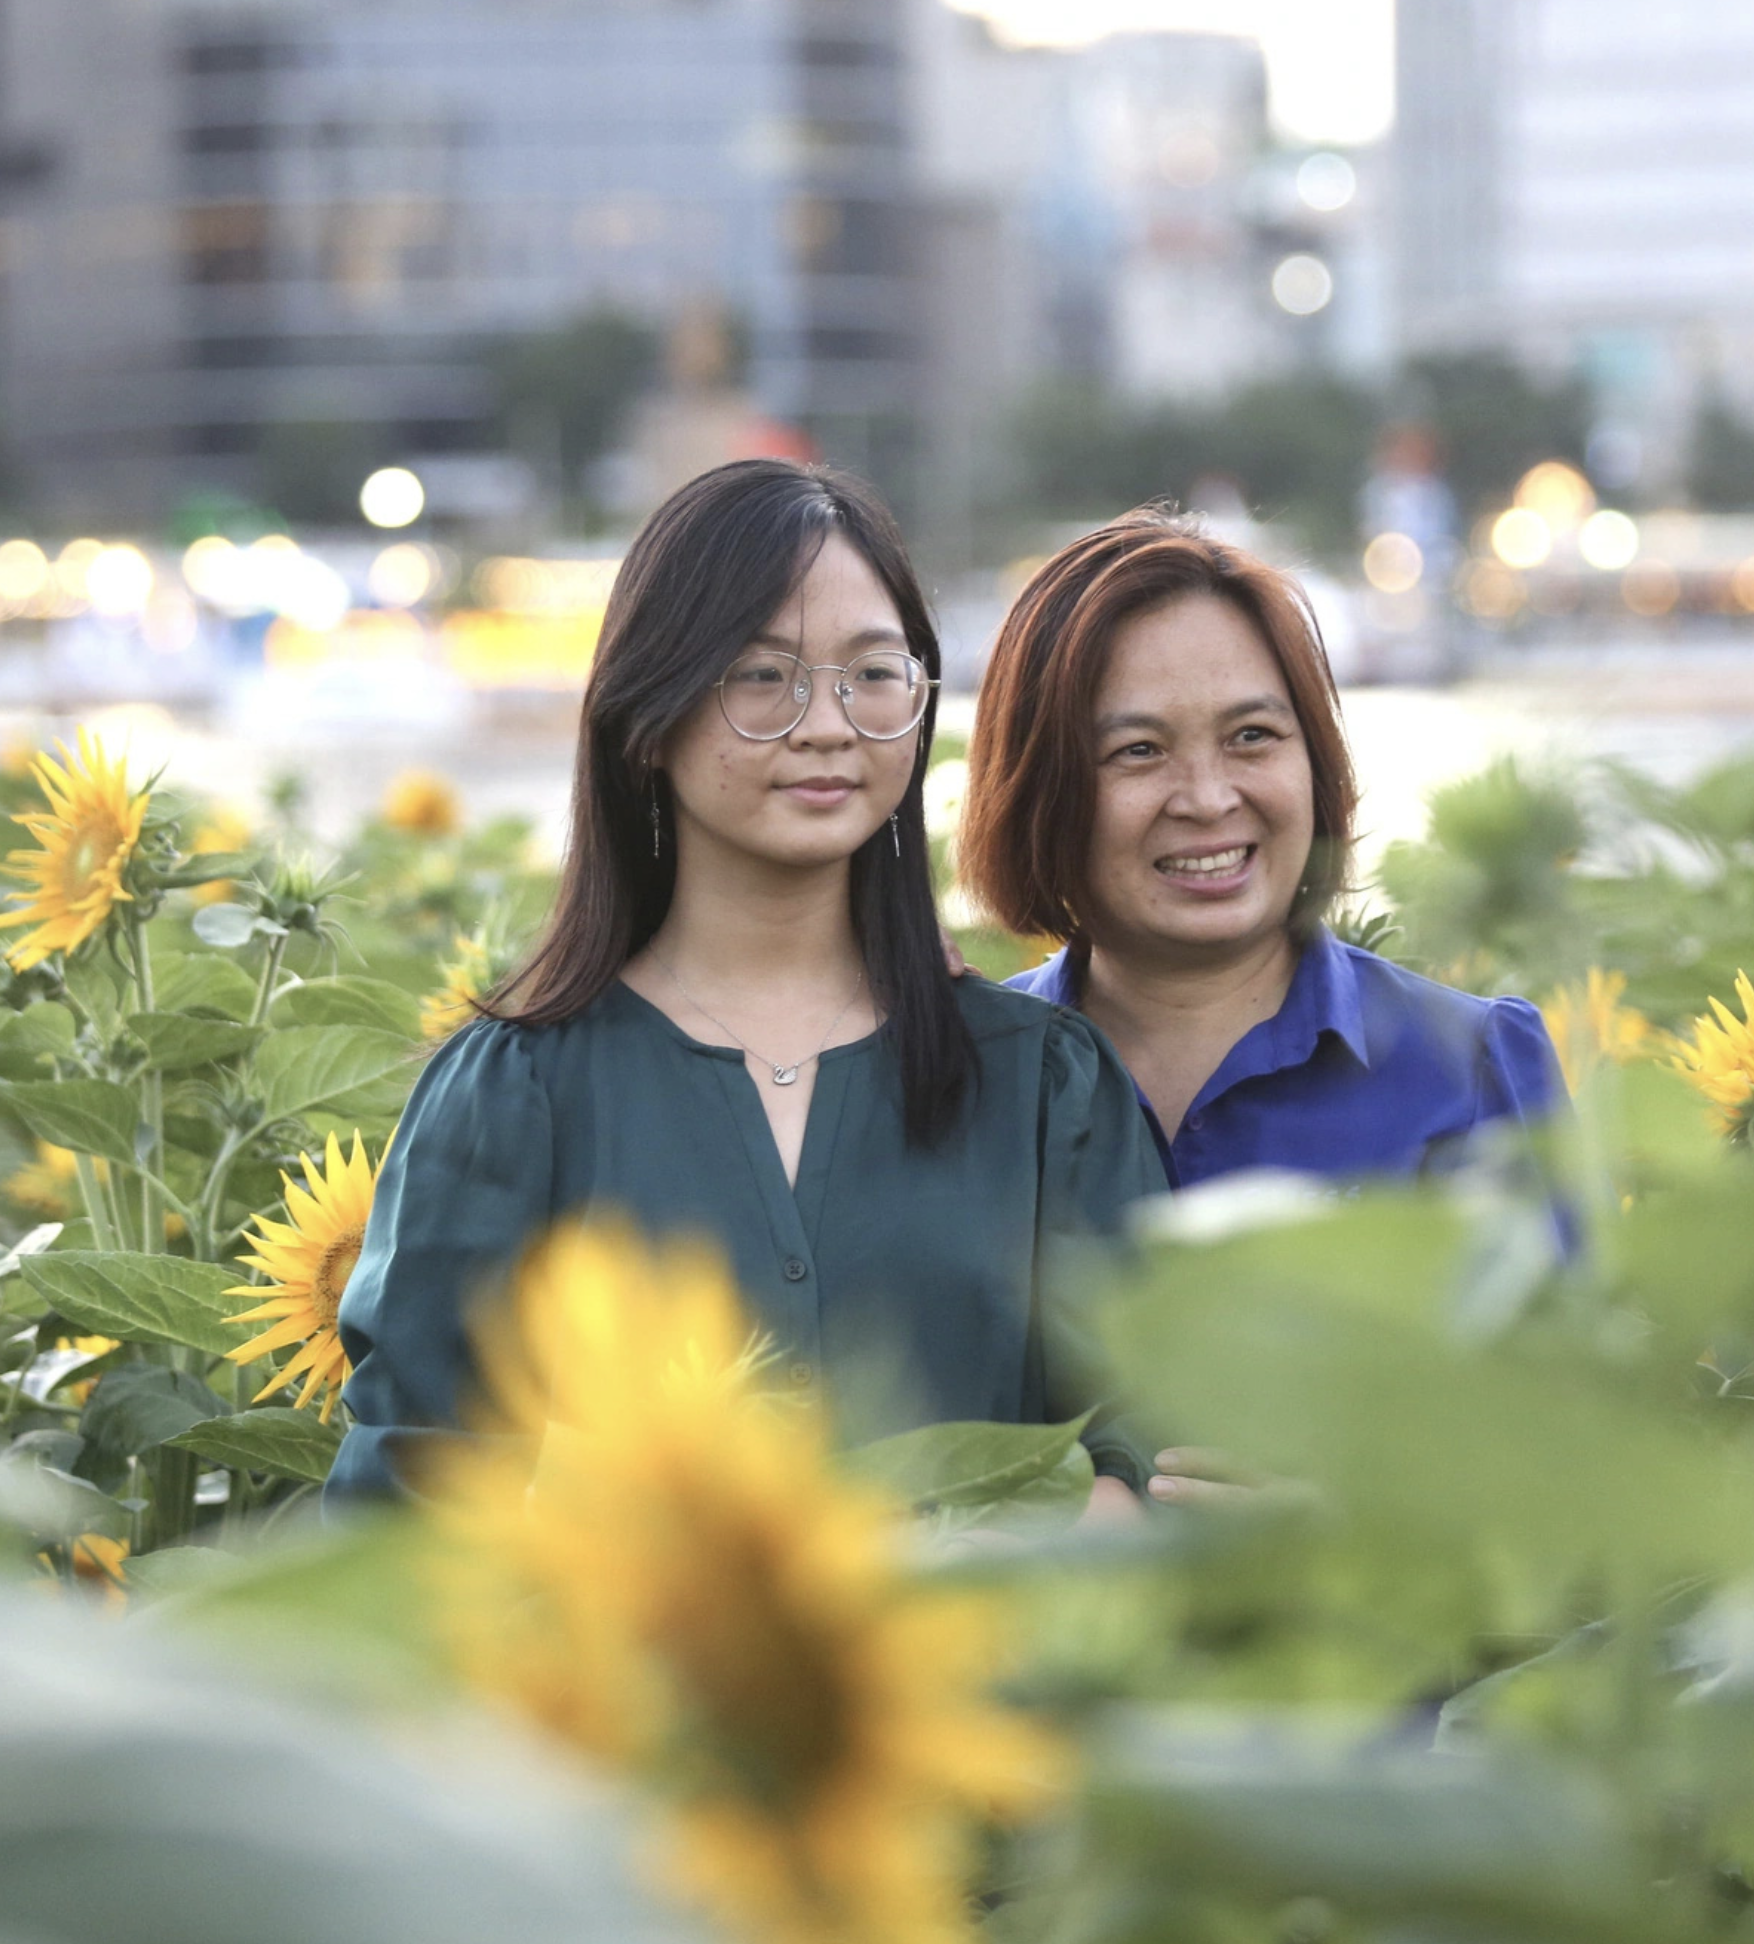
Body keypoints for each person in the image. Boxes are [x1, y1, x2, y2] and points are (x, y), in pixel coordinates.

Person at [326, 460, 1167, 1512]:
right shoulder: (513, 1095)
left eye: (872, 674)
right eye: (762, 677)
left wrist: (1108, 1503)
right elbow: (407, 1505)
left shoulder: (1043, 1086)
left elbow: (1152, 1430)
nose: (827, 725)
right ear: (648, 710)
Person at [957, 512, 1563, 1498]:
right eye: (1138, 752)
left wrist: (1359, 1530)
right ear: (1041, 790)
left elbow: (1579, 1482)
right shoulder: (957, 1082)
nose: (1208, 797)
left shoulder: (1472, 1065)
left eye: (1252, 738)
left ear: (1313, 764)